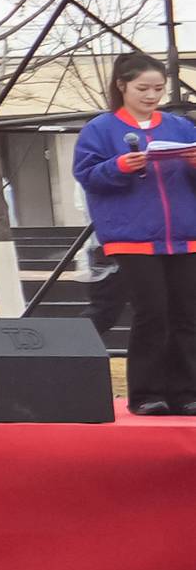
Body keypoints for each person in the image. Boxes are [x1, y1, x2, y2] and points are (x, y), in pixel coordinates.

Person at [75, 57, 196, 413]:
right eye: (143, 88)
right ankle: (146, 394)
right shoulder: (100, 129)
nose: (151, 95)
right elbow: (87, 175)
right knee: (152, 312)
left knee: (187, 315)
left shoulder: (180, 126)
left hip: (185, 235)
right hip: (132, 236)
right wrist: (118, 166)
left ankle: (187, 393)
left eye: (158, 88)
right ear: (122, 85)